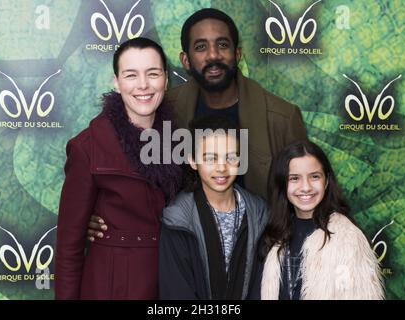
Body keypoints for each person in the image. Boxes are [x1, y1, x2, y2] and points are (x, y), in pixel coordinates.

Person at [87, 7, 307, 240]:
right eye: (201, 47)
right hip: (183, 253)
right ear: (186, 60)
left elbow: (305, 191)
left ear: (238, 54)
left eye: (222, 45)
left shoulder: (281, 117)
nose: (213, 55)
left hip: (259, 253)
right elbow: (119, 168)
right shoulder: (161, 109)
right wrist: (98, 211)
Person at [55, 38, 182, 299]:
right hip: (113, 285)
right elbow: (69, 247)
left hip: (172, 278)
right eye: (131, 75)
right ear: (117, 82)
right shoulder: (87, 146)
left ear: (166, 80)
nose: (143, 85)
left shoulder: (179, 139)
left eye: (153, 74)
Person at [257, 140, 384, 300]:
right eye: (295, 178)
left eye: (314, 176)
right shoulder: (273, 234)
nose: (306, 187)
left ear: (327, 181)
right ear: (283, 184)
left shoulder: (347, 239)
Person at [159, 115, 268, 299]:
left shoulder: (260, 214)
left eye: (231, 157)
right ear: (193, 161)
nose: (221, 168)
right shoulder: (177, 218)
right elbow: (176, 291)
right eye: (210, 158)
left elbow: (263, 286)